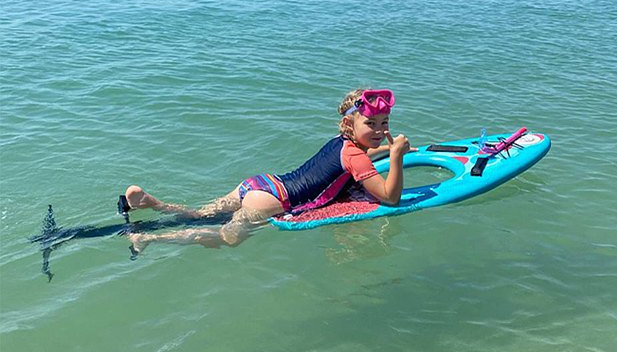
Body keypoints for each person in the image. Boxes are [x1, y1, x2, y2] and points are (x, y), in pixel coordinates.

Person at [123, 89, 411, 255]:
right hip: (273, 202)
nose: (380, 130)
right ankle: (148, 239)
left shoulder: (342, 144)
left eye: (384, 122)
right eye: (371, 124)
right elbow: (390, 197)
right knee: (225, 238)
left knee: (202, 214)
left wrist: (388, 148)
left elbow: (357, 158)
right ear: (350, 125)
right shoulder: (355, 157)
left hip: (261, 184)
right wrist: (396, 157)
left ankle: (150, 202)